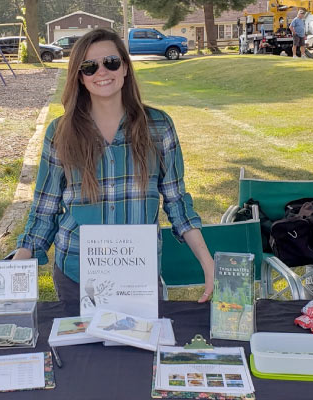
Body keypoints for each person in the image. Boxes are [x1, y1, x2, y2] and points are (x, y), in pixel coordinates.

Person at [13, 28, 215, 304]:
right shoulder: (60, 132)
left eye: (111, 62)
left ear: (125, 68)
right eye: (89, 67)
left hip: (139, 277)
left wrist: (208, 262)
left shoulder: (158, 126)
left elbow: (177, 201)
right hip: (76, 274)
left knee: (139, 348)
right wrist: (17, 266)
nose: (102, 72)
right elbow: (45, 209)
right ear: (79, 78)